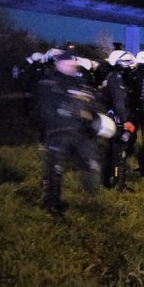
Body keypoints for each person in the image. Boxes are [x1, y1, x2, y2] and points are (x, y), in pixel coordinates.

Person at [37, 51, 115, 216]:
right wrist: (67, 114)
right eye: (66, 63)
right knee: (55, 170)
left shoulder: (83, 84)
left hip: (84, 134)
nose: (70, 66)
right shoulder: (50, 84)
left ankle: (90, 200)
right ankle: (52, 203)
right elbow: (46, 111)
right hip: (59, 133)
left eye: (72, 63)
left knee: (92, 166)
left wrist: (99, 119)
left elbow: (94, 105)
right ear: (58, 64)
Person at [100, 50, 137, 191]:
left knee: (110, 152)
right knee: (119, 152)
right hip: (118, 120)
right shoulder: (117, 79)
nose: (130, 66)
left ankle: (106, 181)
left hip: (113, 118)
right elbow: (119, 103)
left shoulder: (112, 77)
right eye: (127, 63)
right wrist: (125, 121)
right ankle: (118, 185)